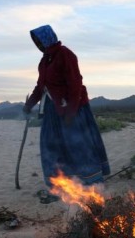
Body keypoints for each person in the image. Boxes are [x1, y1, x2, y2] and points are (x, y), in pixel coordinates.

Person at [23, 25, 110, 203]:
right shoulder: (44, 60)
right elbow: (41, 87)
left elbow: (75, 83)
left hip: (73, 109)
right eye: (36, 42)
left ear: (48, 38)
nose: (38, 44)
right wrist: (29, 104)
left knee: (78, 145)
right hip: (52, 111)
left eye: (40, 40)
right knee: (51, 147)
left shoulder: (65, 54)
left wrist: (71, 112)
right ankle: (59, 187)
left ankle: (90, 185)